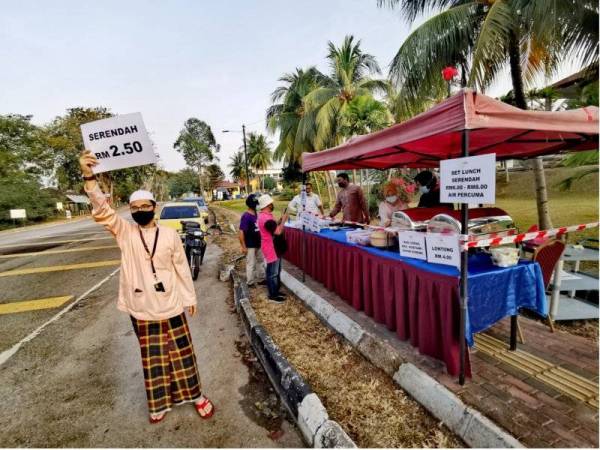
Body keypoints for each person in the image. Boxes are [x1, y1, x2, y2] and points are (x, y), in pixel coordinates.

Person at [79, 150, 214, 424]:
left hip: (171, 304)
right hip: (141, 308)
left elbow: (181, 268)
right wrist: (88, 176)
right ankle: (158, 404)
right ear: (131, 211)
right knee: (153, 359)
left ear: (154, 207)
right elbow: (102, 210)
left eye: (145, 206)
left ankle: (196, 396)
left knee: (183, 355)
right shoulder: (124, 232)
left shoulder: (169, 235)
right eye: (135, 208)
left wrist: (190, 297)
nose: (140, 211)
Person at [257, 194, 288, 303]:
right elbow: (278, 231)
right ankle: (273, 295)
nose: (272, 205)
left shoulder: (265, 216)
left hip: (273, 247)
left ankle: (276, 290)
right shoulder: (265, 218)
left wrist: (279, 220)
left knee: (276, 270)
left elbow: (273, 227)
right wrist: (284, 221)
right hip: (271, 248)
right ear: (267, 205)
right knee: (273, 272)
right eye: (271, 203)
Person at [238, 194, 266, 287]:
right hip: (250, 244)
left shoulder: (256, 214)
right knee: (251, 263)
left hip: (258, 243)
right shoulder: (246, 216)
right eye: (256, 204)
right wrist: (243, 246)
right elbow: (241, 232)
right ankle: (250, 282)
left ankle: (261, 278)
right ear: (251, 204)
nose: (257, 205)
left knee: (260, 261)